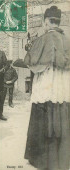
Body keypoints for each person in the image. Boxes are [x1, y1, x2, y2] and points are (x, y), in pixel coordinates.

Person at [24, 6, 70, 170]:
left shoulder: (43, 39)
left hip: (46, 87)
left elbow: (32, 63)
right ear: (58, 21)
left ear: (45, 21)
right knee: (61, 116)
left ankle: (42, 160)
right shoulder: (67, 40)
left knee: (44, 116)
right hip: (63, 89)